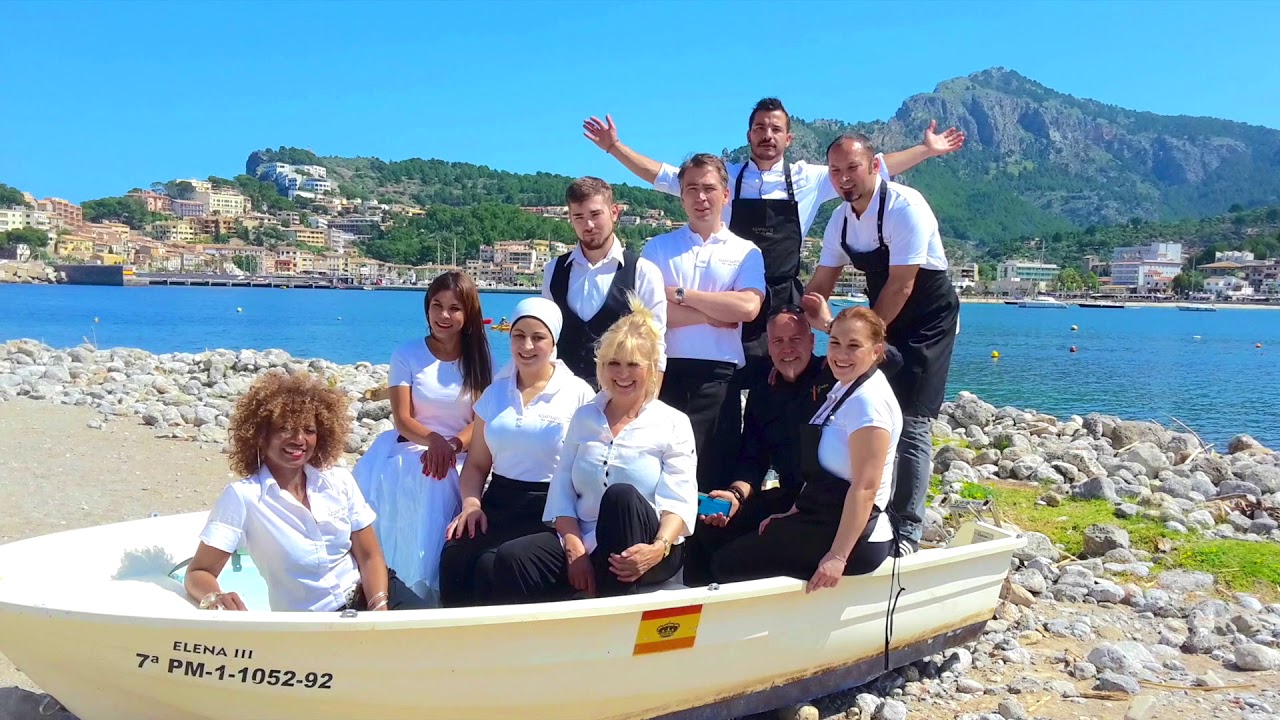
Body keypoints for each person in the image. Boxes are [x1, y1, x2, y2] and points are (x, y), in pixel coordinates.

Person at [583, 98, 965, 383]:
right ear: (749, 135)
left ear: (788, 137)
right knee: (731, 378)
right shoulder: (724, 176)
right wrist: (614, 148)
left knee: (786, 378)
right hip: (731, 292)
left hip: (784, 295)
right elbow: (661, 175)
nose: (767, 135)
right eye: (760, 128)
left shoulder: (811, 177)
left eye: (775, 129)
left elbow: (872, 165)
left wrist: (926, 150)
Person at [802, 133, 960, 555]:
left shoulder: (906, 206)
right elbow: (822, 281)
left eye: (852, 168)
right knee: (851, 399)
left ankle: (906, 530)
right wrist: (801, 316)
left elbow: (903, 282)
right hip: (879, 314)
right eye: (835, 171)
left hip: (926, 318)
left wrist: (856, 338)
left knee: (912, 417)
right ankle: (848, 506)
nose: (843, 179)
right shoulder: (839, 220)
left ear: (876, 166)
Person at [486, 295, 698, 602]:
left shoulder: (673, 422)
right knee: (513, 557)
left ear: (650, 370)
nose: (622, 374)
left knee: (621, 496)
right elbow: (561, 490)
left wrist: (658, 548)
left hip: (649, 547)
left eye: (632, 365)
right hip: (588, 539)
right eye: (614, 363)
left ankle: (609, 621)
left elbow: (680, 501)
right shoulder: (585, 416)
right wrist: (573, 546)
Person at [681, 305, 903, 585]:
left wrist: (832, 327)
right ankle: (693, 610)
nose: (787, 349)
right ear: (769, 347)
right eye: (778, 341)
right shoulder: (765, 389)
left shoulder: (835, 376)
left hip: (831, 511)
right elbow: (753, 456)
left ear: (812, 341)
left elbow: (893, 361)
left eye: (796, 340)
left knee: (730, 562)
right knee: (709, 529)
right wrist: (735, 495)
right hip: (797, 500)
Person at [184, 372, 427, 612]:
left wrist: (379, 611)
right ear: (260, 435)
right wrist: (216, 597)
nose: (299, 439)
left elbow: (369, 556)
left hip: (377, 594)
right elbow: (199, 572)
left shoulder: (339, 481)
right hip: (315, 622)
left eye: (309, 430)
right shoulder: (243, 497)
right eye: (284, 429)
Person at [437, 297, 595, 607]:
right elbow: (477, 465)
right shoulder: (496, 393)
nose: (527, 345)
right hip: (500, 501)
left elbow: (588, 469)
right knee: (455, 553)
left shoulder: (578, 394)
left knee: (493, 565)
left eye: (538, 337)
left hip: (552, 508)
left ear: (553, 343)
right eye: (519, 336)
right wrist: (471, 505)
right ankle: (456, 642)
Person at [353, 270, 494, 604]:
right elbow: (402, 418)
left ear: (468, 313)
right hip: (413, 446)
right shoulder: (407, 354)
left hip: (460, 451)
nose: (444, 315)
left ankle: (435, 586)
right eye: (436, 305)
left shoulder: (480, 358)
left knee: (443, 479)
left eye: (454, 308)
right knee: (429, 478)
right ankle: (405, 585)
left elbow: (481, 419)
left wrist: (453, 444)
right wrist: (434, 442)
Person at [639, 153, 765, 492]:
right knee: (660, 476)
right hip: (665, 376)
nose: (700, 197)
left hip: (718, 382)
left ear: (726, 195)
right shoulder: (658, 248)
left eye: (709, 188)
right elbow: (647, 316)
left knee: (711, 477)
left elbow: (748, 307)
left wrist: (680, 294)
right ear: (681, 196)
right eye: (691, 188)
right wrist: (713, 313)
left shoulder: (745, 251)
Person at [541, 176, 668, 389]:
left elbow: (656, 347)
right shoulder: (553, 271)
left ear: (614, 212)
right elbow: (545, 337)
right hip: (560, 397)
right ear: (570, 219)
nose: (588, 225)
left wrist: (644, 407)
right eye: (579, 217)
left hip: (619, 397)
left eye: (595, 214)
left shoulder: (643, 272)